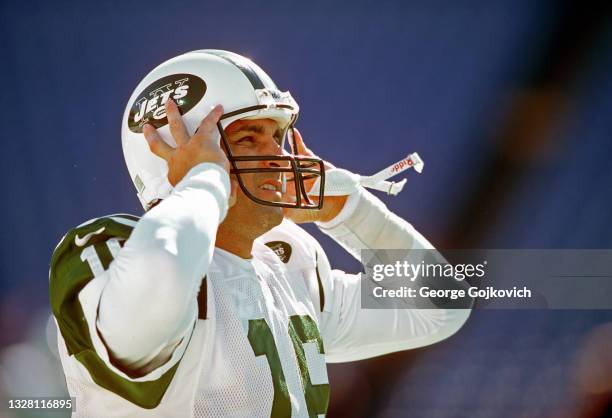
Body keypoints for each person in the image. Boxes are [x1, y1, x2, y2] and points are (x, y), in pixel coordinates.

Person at [49, 50, 471, 417]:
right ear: (172, 155)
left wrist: (352, 213)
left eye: (277, 135)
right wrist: (202, 180)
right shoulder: (110, 252)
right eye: (249, 138)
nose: (279, 155)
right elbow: (162, 274)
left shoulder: (286, 267)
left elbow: (443, 305)